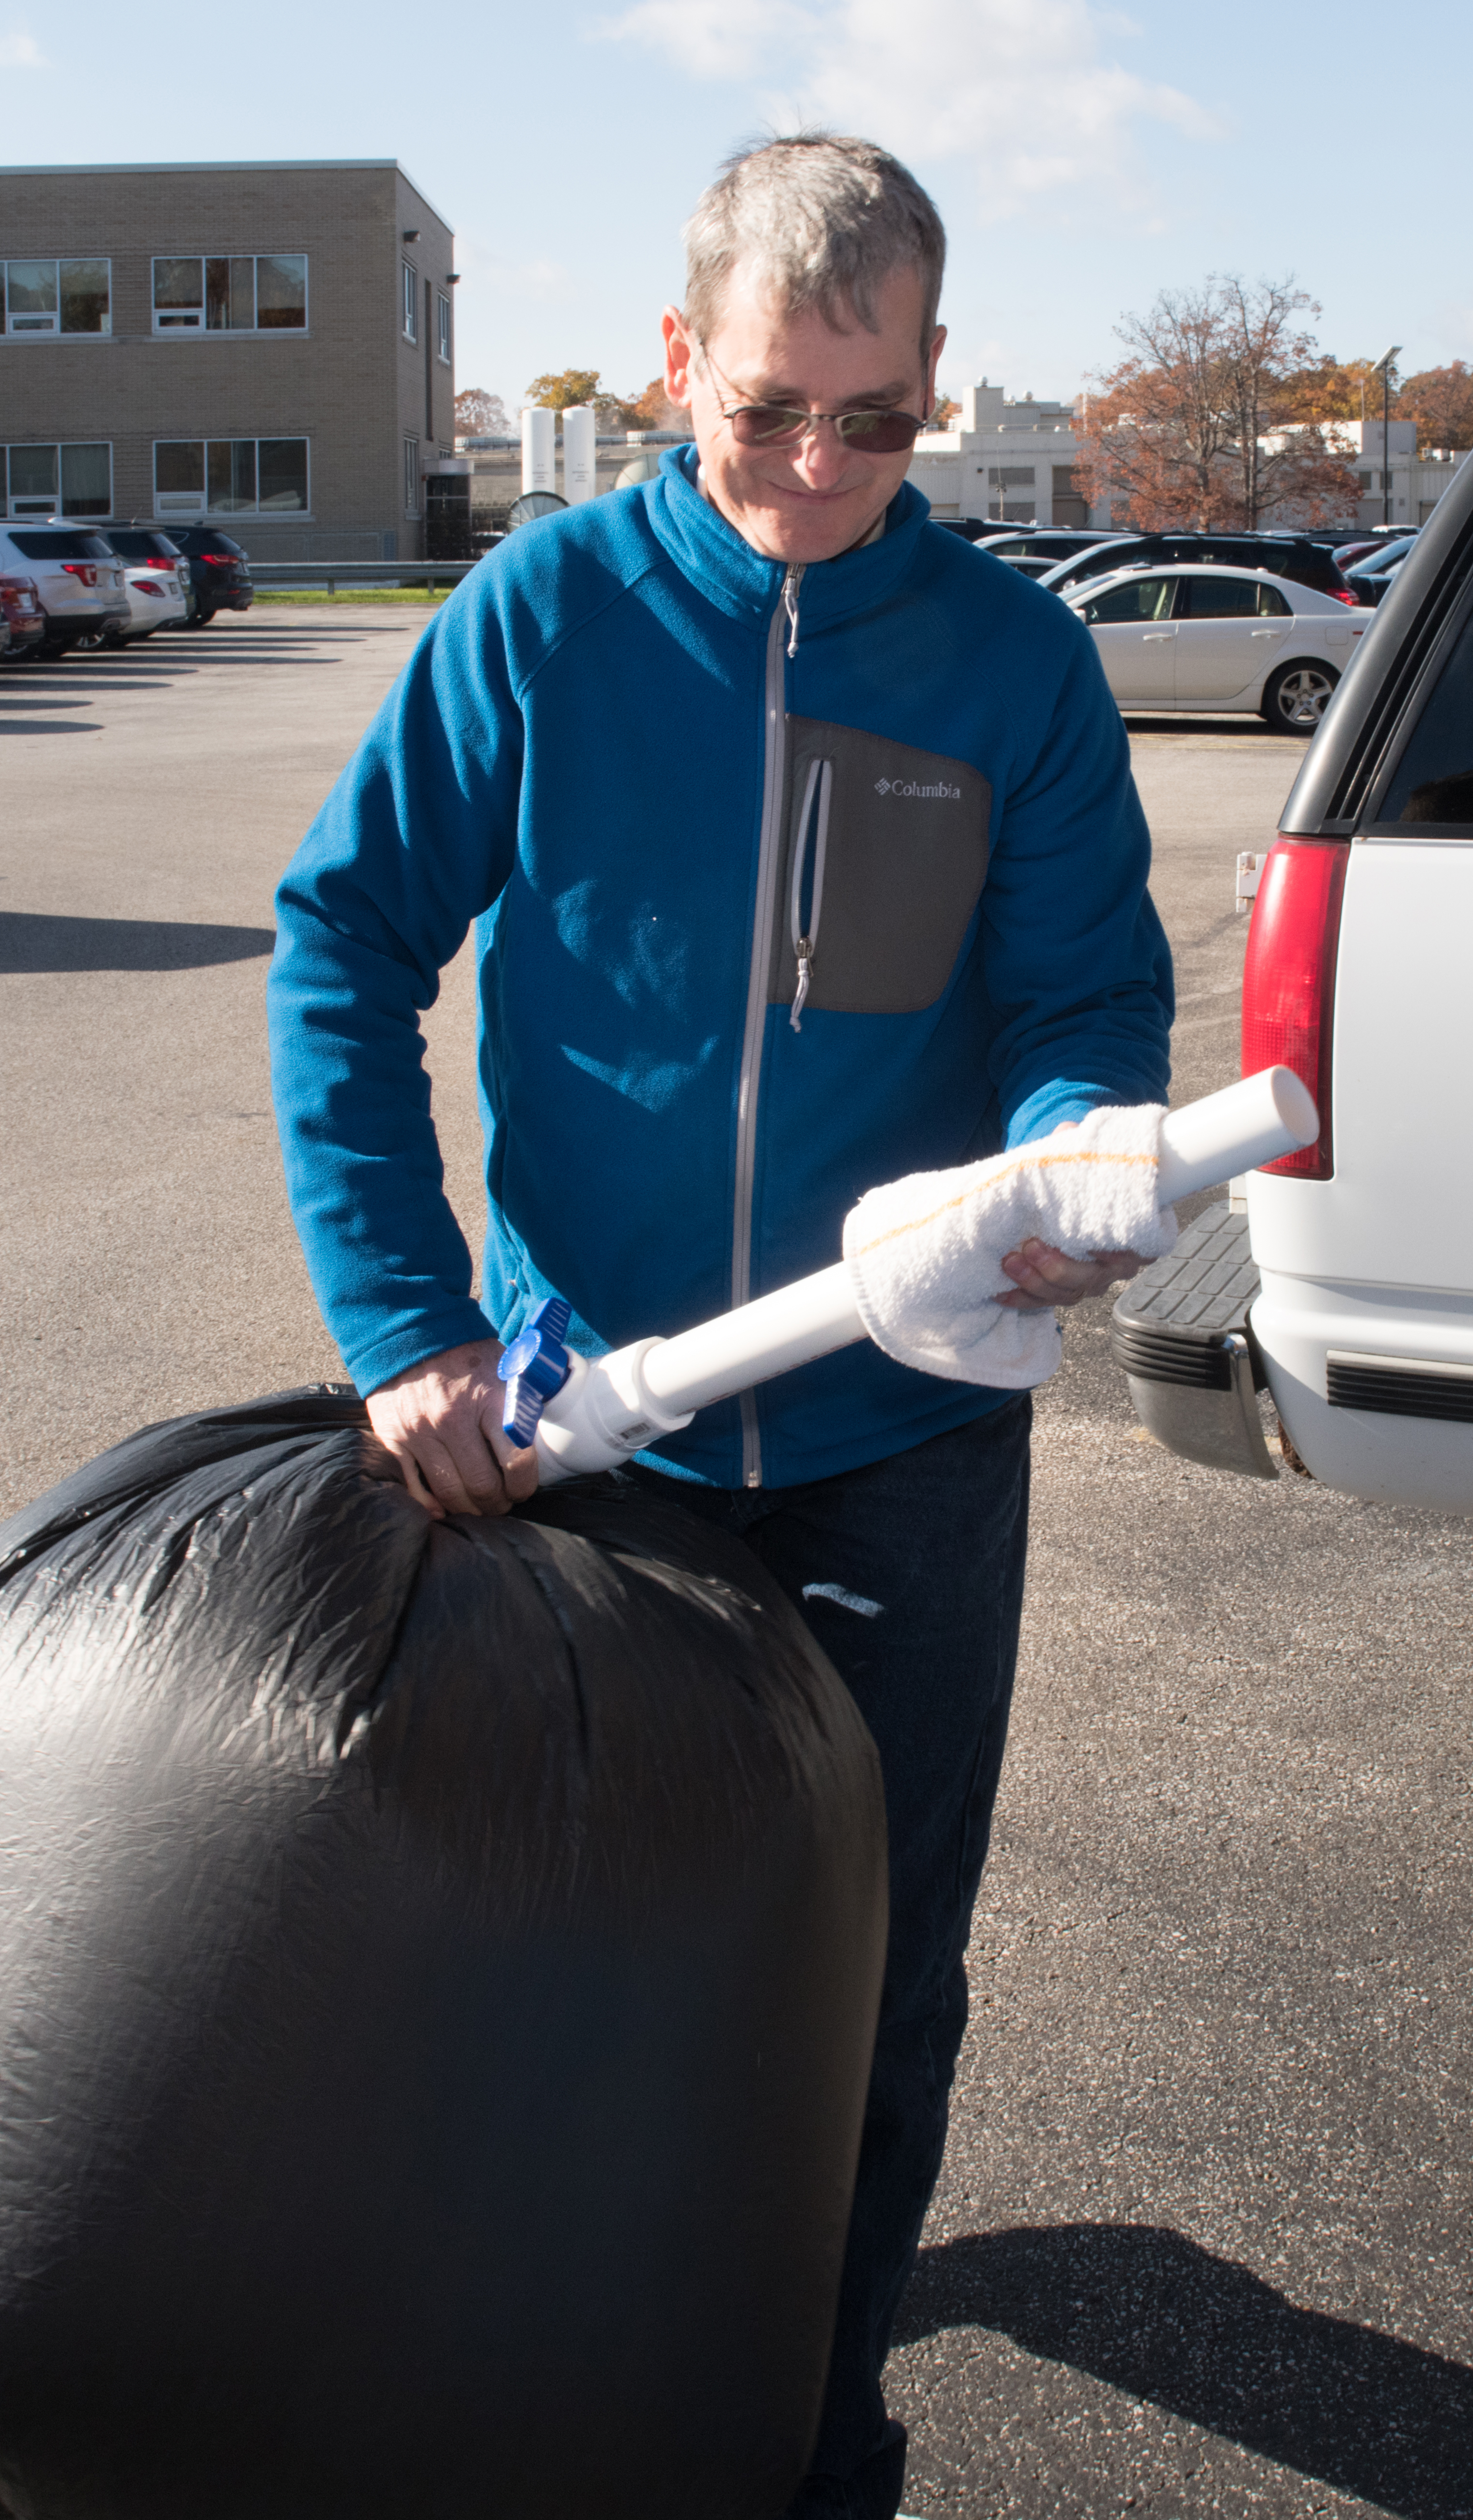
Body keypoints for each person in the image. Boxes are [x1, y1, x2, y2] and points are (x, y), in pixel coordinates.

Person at [267, 134, 1173, 2520]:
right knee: (571, 1969)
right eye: (768, 408)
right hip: (595, 1443)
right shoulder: (544, 619)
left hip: (902, 1442)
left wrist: (1080, 1147)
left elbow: (1082, 996)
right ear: (676, 365)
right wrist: (405, 1320)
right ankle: (555, 2403)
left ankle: (801, 2427)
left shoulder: (1015, 663)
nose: (813, 469)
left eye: (873, 423)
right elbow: (342, 948)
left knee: (866, 1978)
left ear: (936, 394)